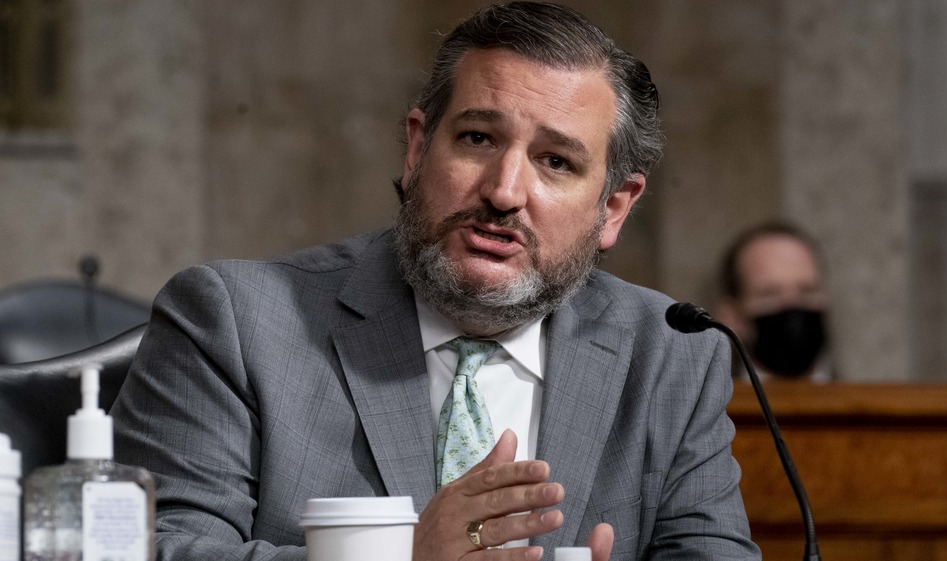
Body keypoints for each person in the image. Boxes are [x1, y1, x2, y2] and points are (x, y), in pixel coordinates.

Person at [112, 3, 760, 560]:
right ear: (418, 148)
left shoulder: (671, 359)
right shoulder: (233, 323)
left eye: (555, 162)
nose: (504, 192)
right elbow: (153, 546)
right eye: (478, 137)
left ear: (614, 206)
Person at [715, 221, 832, 382]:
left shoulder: (862, 402)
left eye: (807, 291)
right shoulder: (713, 405)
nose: (792, 304)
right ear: (732, 317)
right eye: (770, 295)